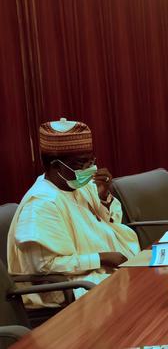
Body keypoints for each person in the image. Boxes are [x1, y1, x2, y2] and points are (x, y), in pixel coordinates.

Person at [7, 119, 140, 308]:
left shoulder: (77, 184)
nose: (89, 169)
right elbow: (45, 266)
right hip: (70, 286)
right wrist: (101, 258)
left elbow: (108, 223)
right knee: (142, 299)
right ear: (56, 166)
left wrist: (103, 197)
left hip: (102, 272)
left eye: (91, 161)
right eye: (80, 163)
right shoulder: (42, 203)